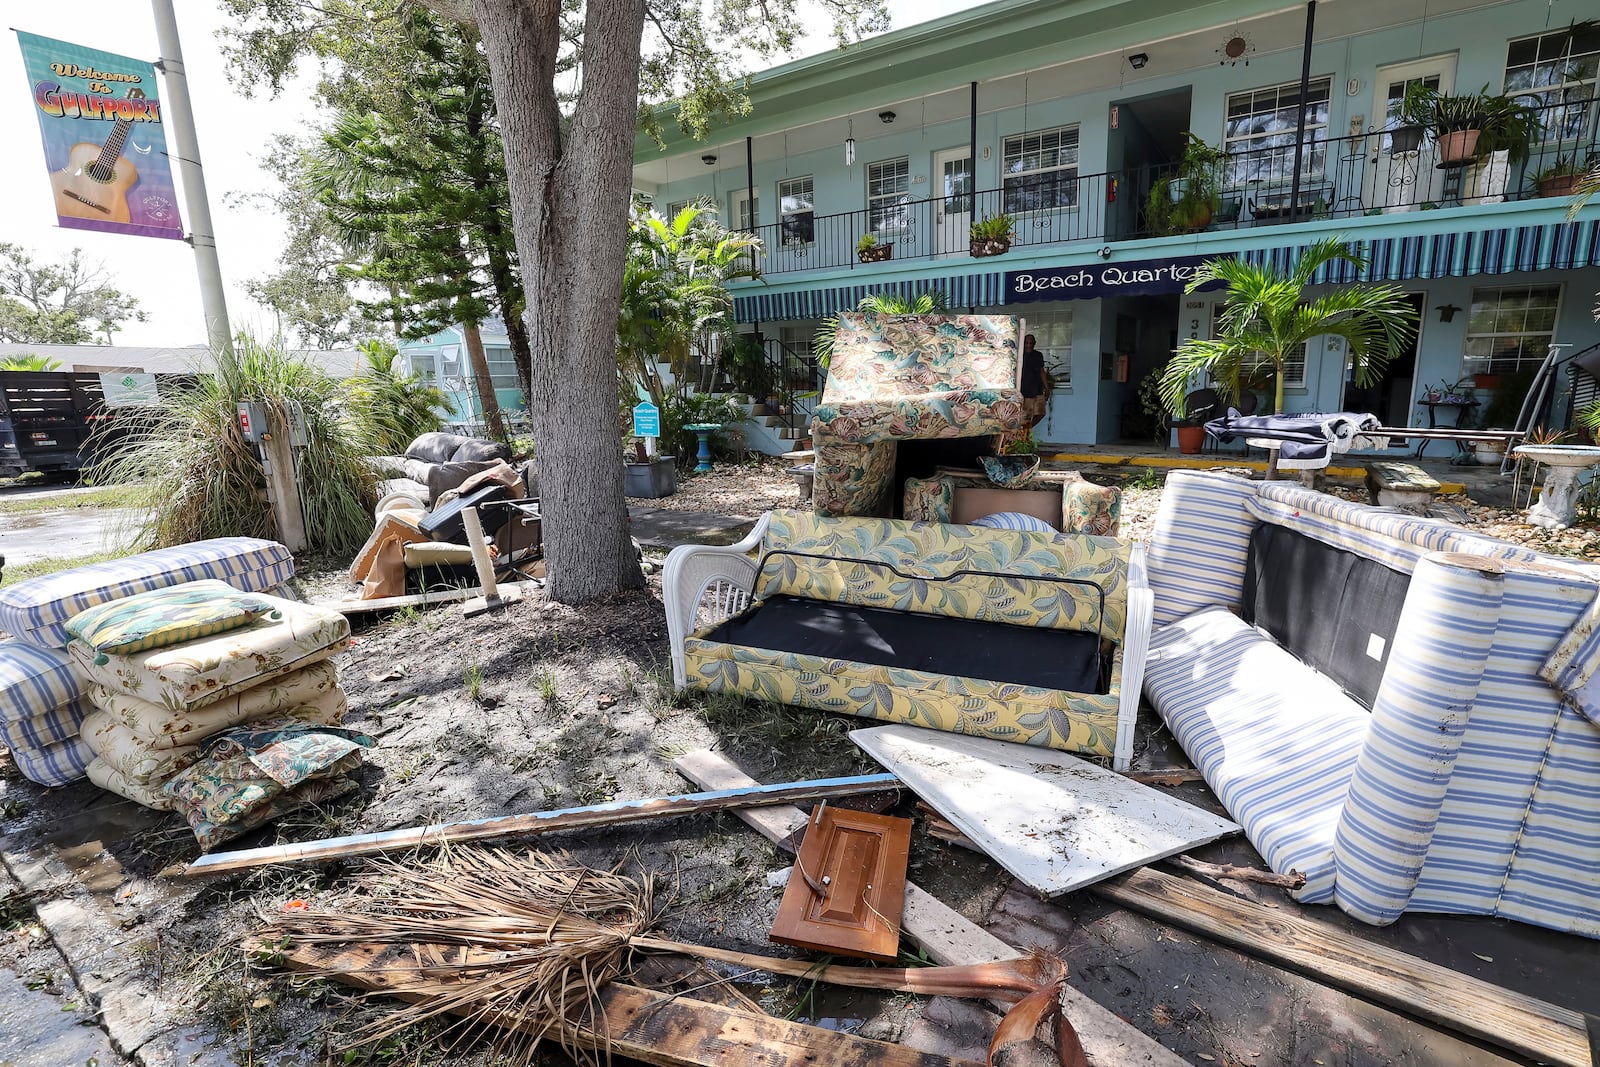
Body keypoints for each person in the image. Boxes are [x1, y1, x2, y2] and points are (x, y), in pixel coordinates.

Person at [1020, 333, 1049, 429]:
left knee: (1041, 413)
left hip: (1038, 389)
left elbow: (1042, 371)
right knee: (1026, 417)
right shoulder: (1019, 356)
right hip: (1025, 391)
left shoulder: (1038, 355)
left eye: (1031, 343)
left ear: (1034, 343)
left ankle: (1026, 431)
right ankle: (1023, 437)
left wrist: (1047, 387)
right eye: (1026, 343)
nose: (1028, 345)